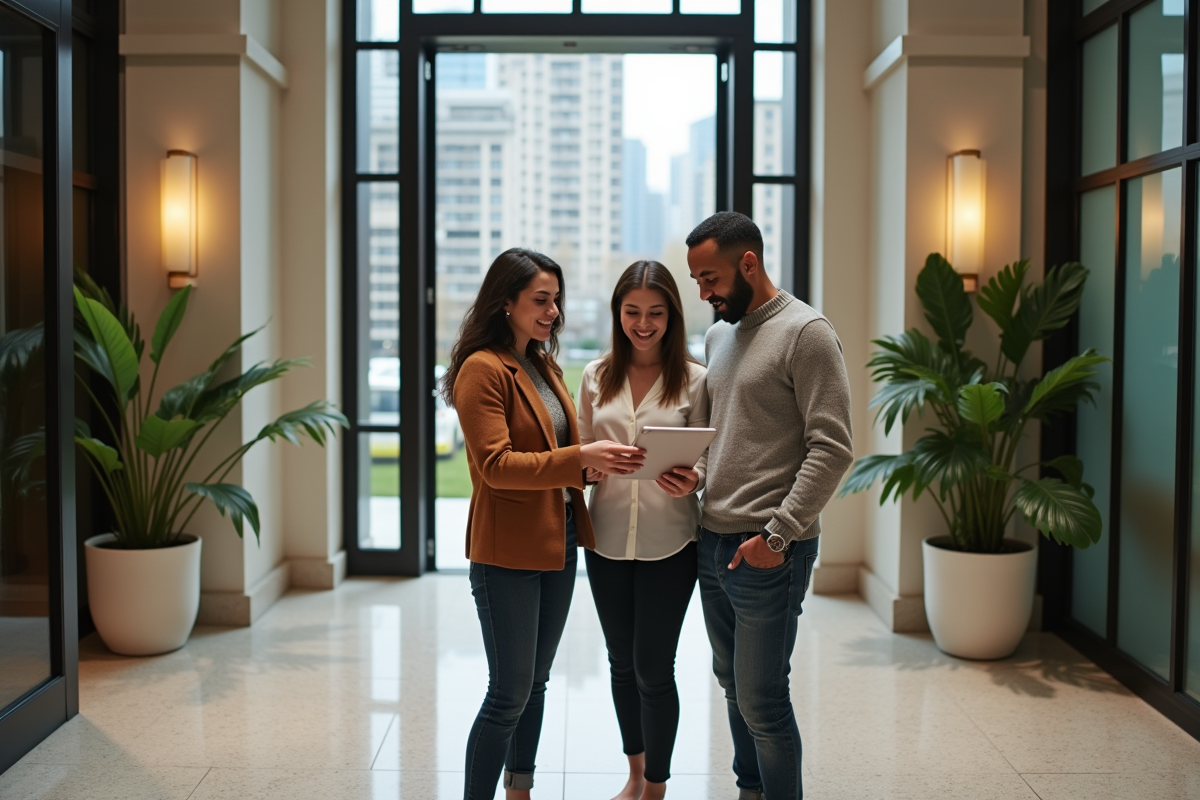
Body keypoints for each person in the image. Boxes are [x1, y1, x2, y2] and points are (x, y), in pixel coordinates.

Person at [441, 248, 645, 800]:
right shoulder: (483, 369)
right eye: (541, 300)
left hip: (559, 543)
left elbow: (554, 452)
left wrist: (595, 465)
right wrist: (582, 457)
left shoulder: (541, 362)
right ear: (504, 302)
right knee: (507, 693)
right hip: (506, 552)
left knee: (533, 685)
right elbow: (495, 466)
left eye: (556, 299)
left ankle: (520, 791)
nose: (553, 311)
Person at [685, 213, 853, 800]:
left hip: (769, 552)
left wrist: (777, 536)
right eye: (698, 282)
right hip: (712, 541)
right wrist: (695, 476)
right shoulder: (718, 337)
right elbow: (718, 432)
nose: (703, 295)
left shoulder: (807, 333)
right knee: (732, 685)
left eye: (710, 279)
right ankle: (748, 791)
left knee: (763, 701)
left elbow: (833, 447)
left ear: (748, 264)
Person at [577, 261, 708, 800]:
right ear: (618, 314)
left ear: (672, 316)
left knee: (654, 667)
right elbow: (580, 457)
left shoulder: (697, 380)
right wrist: (591, 465)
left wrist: (693, 478)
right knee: (619, 663)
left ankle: (656, 786)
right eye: (632, 312)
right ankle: (634, 773)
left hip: (670, 541)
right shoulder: (594, 375)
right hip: (605, 538)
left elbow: (710, 459)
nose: (643, 323)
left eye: (655, 313)